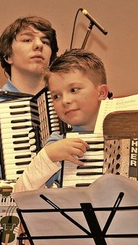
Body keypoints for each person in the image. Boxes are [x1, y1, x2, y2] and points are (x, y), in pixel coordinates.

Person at [0, 16, 59, 196]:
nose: (38, 45)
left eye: (45, 41)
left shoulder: (67, 100)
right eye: (27, 40)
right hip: (16, 205)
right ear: (8, 56)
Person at [13, 49, 110, 193]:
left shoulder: (130, 133)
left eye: (74, 90)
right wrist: (47, 156)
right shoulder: (58, 144)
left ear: (101, 92)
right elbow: (20, 196)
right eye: (56, 96)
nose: (65, 101)